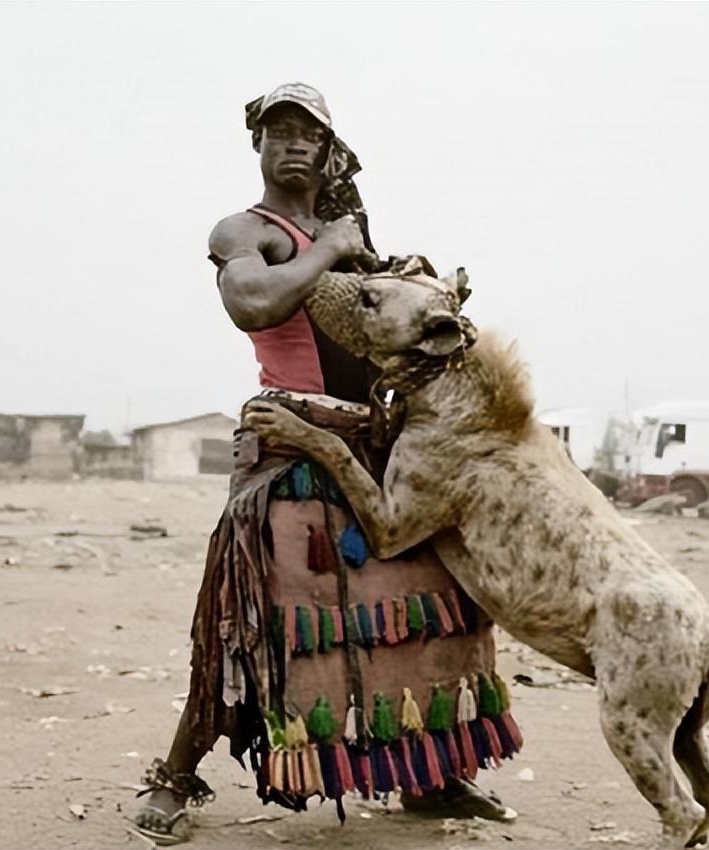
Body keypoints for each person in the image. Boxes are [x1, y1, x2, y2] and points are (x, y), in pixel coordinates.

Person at [134, 83, 522, 845]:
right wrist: (335, 251)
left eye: (309, 133)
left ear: (330, 148)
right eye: (279, 132)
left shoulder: (351, 231)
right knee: (249, 627)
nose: (295, 144)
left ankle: (433, 774)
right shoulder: (247, 230)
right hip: (291, 450)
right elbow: (251, 304)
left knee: (426, 610)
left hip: (376, 449)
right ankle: (176, 777)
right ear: (259, 146)